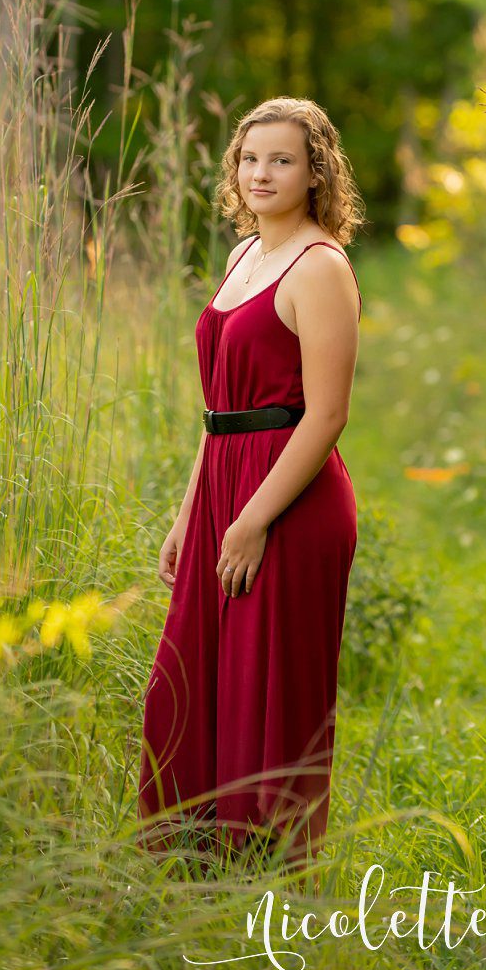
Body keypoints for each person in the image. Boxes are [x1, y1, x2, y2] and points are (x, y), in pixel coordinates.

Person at [138, 98, 362, 865]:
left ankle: (282, 872)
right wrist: (189, 514)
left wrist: (255, 519)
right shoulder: (243, 255)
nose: (261, 173)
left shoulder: (321, 266)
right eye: (250, 159)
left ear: (316, 173)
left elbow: (326, 414)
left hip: (290, 499)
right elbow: (220, 412)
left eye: (282, 160)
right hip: (225, 488)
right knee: (191, 678)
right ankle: (204, 852)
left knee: (273, 689)